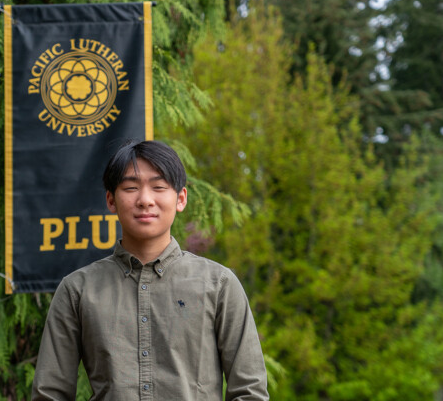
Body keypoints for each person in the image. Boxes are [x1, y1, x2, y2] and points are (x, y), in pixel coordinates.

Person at [32, 140, 269, 400]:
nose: (145, 200)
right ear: (111, 200)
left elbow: (249, 392)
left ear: (180, 199)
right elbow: (50, 394)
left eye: (158, 187)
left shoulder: (219, 285)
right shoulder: (78, 290)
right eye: (131, 188)